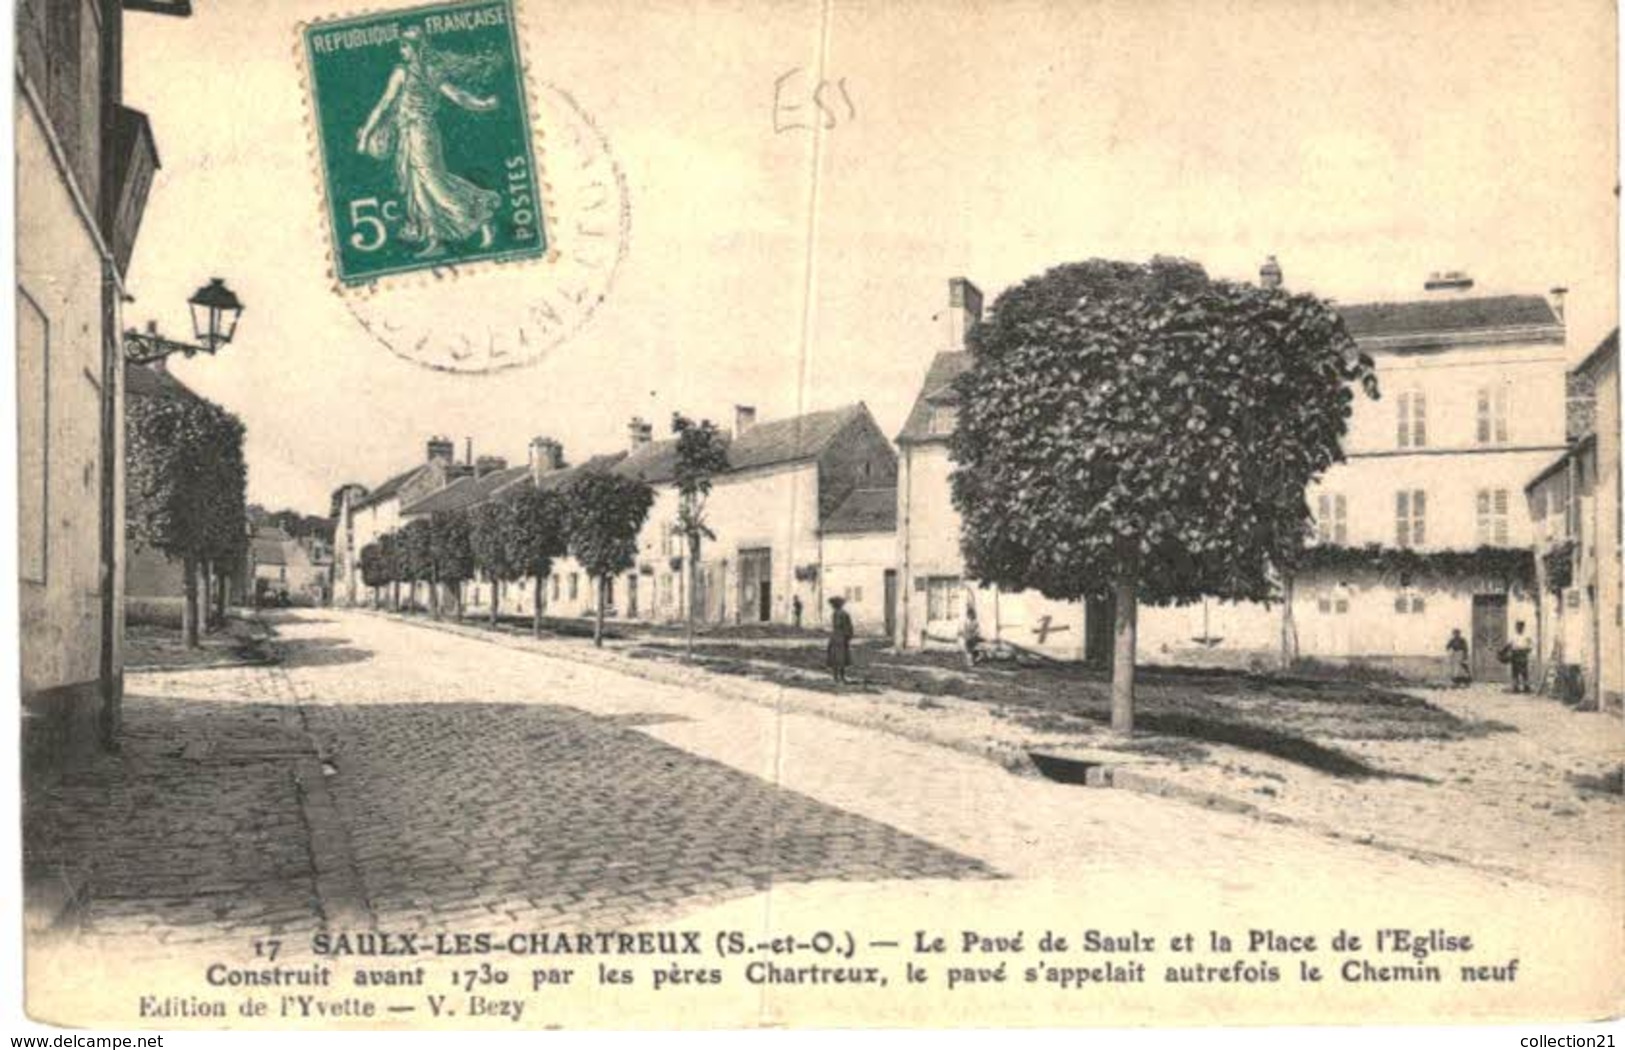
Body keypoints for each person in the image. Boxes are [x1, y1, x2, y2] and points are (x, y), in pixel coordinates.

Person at [356, 27, 502, 259]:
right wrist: (366, 135)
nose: (401, 50)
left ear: (416, 48)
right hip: (409, 135)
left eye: (405, 46)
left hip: (421, 134)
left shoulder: (421, 72)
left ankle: (480, 216)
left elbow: (457, 96)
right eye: (401, 46)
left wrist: (483, 105)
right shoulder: (406, 72)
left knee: (435, 184)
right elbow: (385, 105)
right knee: (418, 187)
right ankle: (436, 239)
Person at [826, 597, 854, 684]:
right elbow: (849, 627)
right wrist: (848, 636)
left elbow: (846, 626)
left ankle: (837, 678)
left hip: (836, 637)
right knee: (840, 658)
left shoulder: (837, 614)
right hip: (840, 637)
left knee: (836, 658)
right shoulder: (843, 614)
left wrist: (847, 635)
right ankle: (840, 677)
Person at [1507, 620, 1533, 693]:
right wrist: (1503, 651)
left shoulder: (1526, 636)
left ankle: (1526, 687)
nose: (1519, 628)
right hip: (1515, 655)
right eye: (1517, 626)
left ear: (1523, 627)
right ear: (1516, 627)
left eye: (1520, 627)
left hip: (1523, 655)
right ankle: (1516, 687)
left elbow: (1530, 646)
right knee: (1515, 672)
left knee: (1524, 672)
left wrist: (1527, 650)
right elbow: (1509, 645)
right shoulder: (1513, 636)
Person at [960, 602, 982, 670]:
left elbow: (978, 631)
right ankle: (970, 661)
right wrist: (964, 634)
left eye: (971, 615)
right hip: (968, 637)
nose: (970, 616)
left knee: (971, 649)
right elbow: (964, 629)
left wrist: (974, 634)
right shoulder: (966, 622)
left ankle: (972, 660)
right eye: (969, 615)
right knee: (968, 649)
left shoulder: (975, 622)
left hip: (973, 637)